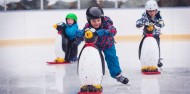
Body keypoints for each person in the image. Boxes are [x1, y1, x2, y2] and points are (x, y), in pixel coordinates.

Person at [77, 6, 129, 84]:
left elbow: (113, 30)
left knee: (112, 58)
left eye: (98, 20)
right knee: (92, 60)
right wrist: (80, 34)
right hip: (95, 46)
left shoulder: (107, 22)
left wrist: (106, 31)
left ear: (102, 18)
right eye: (93, 21)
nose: (96, 23)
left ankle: (118, 75)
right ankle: (91, 76)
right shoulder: (88, 26)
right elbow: (84, 32)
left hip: (108, 44)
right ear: (89, 20)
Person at [136, 0, 165, 67]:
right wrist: (140, 24)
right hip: (146, 35)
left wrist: (159, 24)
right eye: (149, 11)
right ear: (146, 11)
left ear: (156, 10)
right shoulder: (144, 17)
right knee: (141, 45)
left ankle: (157, 59)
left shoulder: (158, 17)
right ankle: (141, 56)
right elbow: (138, 23)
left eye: (153, 11)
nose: (151, 13)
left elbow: (162, 23)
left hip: (155, 35)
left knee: (157, 47)